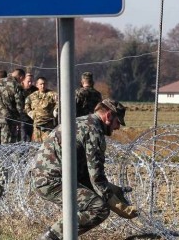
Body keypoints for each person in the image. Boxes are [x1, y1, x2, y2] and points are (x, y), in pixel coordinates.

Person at [31, 99, 138, 239]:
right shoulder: (94, 131)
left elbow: (85, 174)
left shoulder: (82, 122)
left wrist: (113, 189)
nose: (117, 127)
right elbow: (96, 176)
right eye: (118, 122)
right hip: (53, 180)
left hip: (46, 177)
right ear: (109, 115)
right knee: (99, 208)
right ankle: (49, 238)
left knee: (92, 203)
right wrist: (116, 204)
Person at [0, 69, 25, 144]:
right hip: (7, 119)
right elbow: (19, 105)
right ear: (21, 77)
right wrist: (19, 119)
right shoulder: (16, 85)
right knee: (6, 146)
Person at [24, 77, 58, 142]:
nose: (43, 86)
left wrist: (55, 110)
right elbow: (27, 105)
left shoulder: (52, 94)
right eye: (41, 84)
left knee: (47, 144)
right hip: (36, 125)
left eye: (44, 84)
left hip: (48, 124)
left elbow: (59, 102)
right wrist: (30, 113)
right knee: (36, 145)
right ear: (37, 85)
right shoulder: (32, 96)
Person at [20, 73, 38, 142]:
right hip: (21, 118)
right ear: (23, 81)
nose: (30, 83)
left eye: (31, 81)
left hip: (31, 118)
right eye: (28, 81)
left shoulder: (35, 90)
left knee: (28, 138)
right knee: (22, 138)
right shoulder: (19, 89)